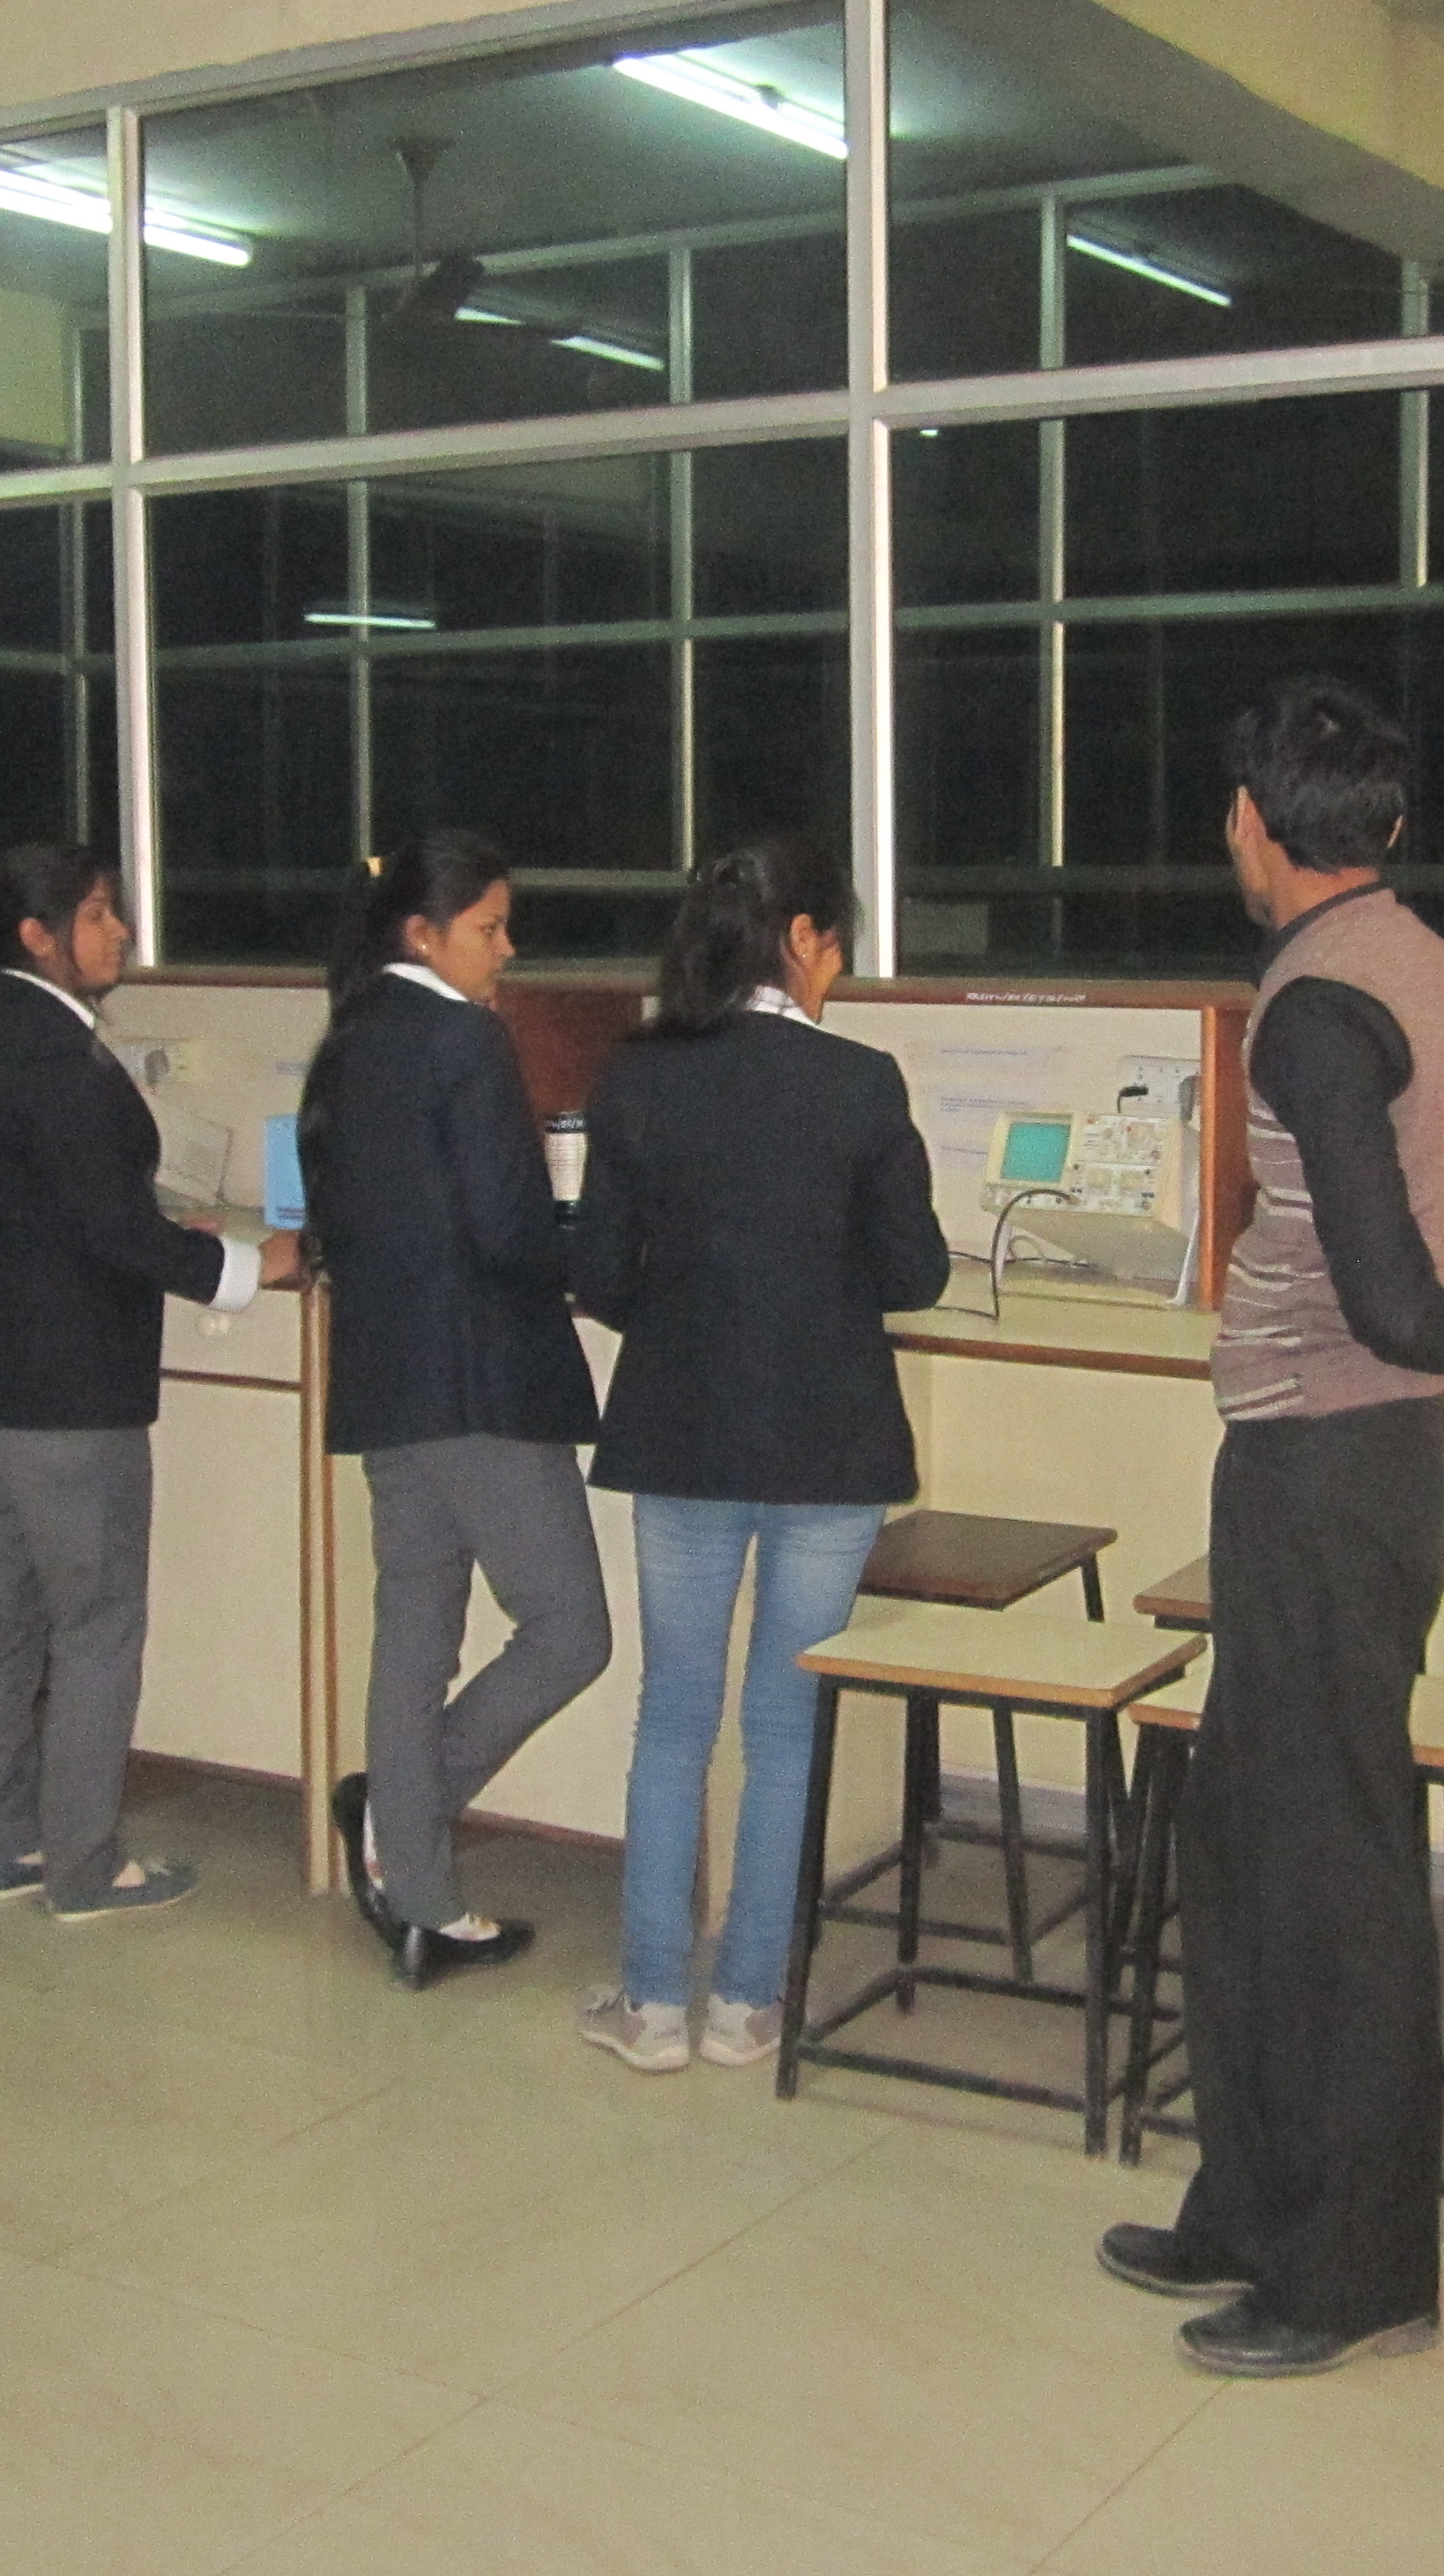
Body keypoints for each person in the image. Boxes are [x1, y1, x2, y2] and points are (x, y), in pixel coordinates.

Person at [1094, 681, 1444, 2379]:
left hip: (1328, 1465)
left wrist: (1442, 1331)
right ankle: (1249, 2205)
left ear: (1254, 827)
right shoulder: (1430, 968)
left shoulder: (1312, 1009)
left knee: (1330, 1869)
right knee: (1249, 1840)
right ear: (1393, 829)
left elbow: (1381, 1273)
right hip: (1353, 1459)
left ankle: (1354, 2276)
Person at [569, 836, 949, 2073]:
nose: (839, 969)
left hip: (680, 1433)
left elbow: (597, 1276)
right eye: (836, 945)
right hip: (829, 1444)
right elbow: (916, 1274)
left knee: (674, 1714)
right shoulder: (862, 1084)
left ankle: (650, 2005)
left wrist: (692, 1313)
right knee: (785, 1723)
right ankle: (746, 2003)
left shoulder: (637, 1076)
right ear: (800, 940)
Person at [0, 840, 298, 1920]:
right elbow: (110, 1227)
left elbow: (69, 1204)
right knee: (95, 1626)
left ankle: (3, 1845)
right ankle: (85, 1867)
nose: (122, 932)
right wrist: (247, 1267)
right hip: (66, 1391)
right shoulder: (48, 1048)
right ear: (36, 935)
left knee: (3, 1618)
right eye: (97, 915)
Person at [301, 834, 607, 1989]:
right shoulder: (464, 1039)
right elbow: (510, 1230)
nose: (508, 948)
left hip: (387, 1385)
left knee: (413, 1639)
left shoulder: (347, 1038)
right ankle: (400, 1818)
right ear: (422, 935)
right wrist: (595, 1247)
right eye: (489, 927)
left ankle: (422, 1899)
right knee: (570, 1631)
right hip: (481, 1385)